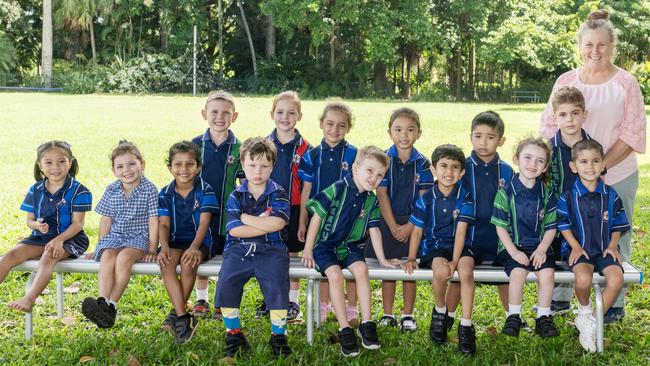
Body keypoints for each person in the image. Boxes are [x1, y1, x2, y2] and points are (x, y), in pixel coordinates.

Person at [539, 9, 646, 322]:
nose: (595, 51)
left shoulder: (626, 82)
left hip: (617, 173)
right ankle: (559, 299)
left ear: (612, 46)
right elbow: (548, 125)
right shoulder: (566, 80)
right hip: (567, 174)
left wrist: (600, 168)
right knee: (564, 232)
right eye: (589, 45)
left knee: (615, 232)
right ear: (580, 46)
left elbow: (632, 131)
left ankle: (613, 304)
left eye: (602, 45)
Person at [302, 146, 396, 357]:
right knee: (334, 275)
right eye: (369, 171)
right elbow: (316, 217)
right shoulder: (337, 188)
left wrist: (382, 259)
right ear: (355, 168)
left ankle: (367, 323)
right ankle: (345, 329)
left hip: (348, 247)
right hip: (324, 246)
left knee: (362, 270)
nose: (374, 178)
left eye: (380, 175)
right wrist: (308, 249)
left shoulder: (371, 201)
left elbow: (374, 230)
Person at [214, 137, 292, 359]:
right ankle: (234, 334)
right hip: (238, 249)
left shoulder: (278, 192)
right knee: (227, 281)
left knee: (277, 283)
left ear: (272, 166)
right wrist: (263, 224)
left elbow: (278, 223)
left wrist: (246, 217)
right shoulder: (235, 195)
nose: (258, 171)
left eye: (264, 166)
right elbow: (234, 231)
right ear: (243, 164)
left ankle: (278, 336)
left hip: (272, 248)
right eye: (252, 165)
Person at [1, 141, 91, 312]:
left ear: (70, 162)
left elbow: (78, 224)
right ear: (40, 165)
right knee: (10, 255)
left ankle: (29, 298)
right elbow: (30, 220)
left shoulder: (80, 190)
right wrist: (35, 225)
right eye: (49, 162)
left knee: (48, 256)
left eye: (61, 161)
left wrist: (58, 240)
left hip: (69, 238)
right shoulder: (35, 189)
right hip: (40, 238)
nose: (55, 167)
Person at [404, 144, 477, 355]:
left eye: (455, 167)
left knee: (465, 271)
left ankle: (465, 325)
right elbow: (417, 232)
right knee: (442, 271)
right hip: (435, 245)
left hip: (462, 246)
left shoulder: (465, 196)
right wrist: (411, 257)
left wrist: (455, 259)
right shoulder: (425, 198)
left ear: (462, 172)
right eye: (443, 166)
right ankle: (440, 310)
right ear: (433, 169)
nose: (449, 172)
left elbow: (462, 231)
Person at [557, 139, 628, 352]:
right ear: (573, 166)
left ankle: (591, 322)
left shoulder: (611, 194)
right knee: (583, 278)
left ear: (603, 163)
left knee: (616, 279)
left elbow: (618, 223)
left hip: (604, 249)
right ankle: (584, 311)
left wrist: (613, 245)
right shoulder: (568, 196)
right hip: (579, 249)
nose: (590, 167)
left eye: (596, 161)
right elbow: (563, 224)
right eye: (584, 161)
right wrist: (575, 247)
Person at [366, 107, 433, 332]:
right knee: (389, 268)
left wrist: (410, 226)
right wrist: (394, 226)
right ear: (390, 132)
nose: (404, 135)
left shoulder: (423, 164)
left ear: (418, 134)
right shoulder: (384, 160)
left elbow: (424, 200)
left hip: (414, 224)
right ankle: (387, 313)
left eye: (410, 130)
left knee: (408, 268)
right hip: (388, 221)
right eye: (398, 130)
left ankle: (407, 314)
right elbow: (381, 195)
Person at [81, 140, 159, 328]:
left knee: (124, 257)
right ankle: (102, 302)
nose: (127, 170)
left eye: (132, 164)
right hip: (116, 236)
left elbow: (153, 221)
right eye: (120, 166)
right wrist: (100, 246)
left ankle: (112, 306)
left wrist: (151, 248)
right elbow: (106, 220)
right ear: (114, 171)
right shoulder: (112, 190)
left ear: (142, 164)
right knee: (108, 254)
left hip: (139, 238)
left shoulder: (149, 189)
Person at [448, 111, 513, 324]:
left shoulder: (507, 171)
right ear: (470, 137)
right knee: (458, 277)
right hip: (469, 239)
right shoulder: (462, 168)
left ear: (501, 141)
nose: (483, 142)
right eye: (478, 136)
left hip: (498, 240)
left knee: (506, 277)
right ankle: (445, 316)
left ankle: (513, 316)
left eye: (490, 137)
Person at [491, 137, 559, 339]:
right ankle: (513, 316)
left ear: (545, 166)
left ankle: (543, 317)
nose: (533, 164)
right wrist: (513, 252)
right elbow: (500, 227)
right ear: (516, 159)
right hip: (513, 247)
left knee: (547, 274)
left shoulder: (547, 194)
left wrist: (542, 249)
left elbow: (551, 228)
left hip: (539, 248)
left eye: (540, 161)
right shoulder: (505, 193)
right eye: (527, 158)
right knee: (518, 273)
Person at [298, 102, 358, 324]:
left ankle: (351, 309)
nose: (335, 129)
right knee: (325, 261)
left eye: (341, 125)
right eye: (330, 124)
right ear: (321, 124)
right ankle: (324, 306)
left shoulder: (354, 155)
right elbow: (306, 190)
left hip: (347, 220)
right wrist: (303, 221)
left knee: (351, 261)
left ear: (348, 128)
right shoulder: (311, 156)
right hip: (320, 220)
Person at [190, 90, 245, 319]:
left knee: (226, 258)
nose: (220, 117)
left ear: (235, 116)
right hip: (199, 214)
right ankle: (201, 298)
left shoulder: (240, 148)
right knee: (200, 253)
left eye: (226, 113)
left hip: (227, 215)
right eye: (214, 112)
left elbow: (246, 182)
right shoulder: (194, 145)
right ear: (205, 114)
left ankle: (222, 300)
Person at [157, 141, 218, 343]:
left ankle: (176, 314)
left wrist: (193, 247)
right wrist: (164, 246)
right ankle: (184, 316)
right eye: (178, 164)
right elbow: (164, 225)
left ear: (198, 167)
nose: (184, 169)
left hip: (200, 241)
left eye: (190, 164)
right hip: (174, 240)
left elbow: (204, 222)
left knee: (188, 262)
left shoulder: (206, 190)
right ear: (170, 168)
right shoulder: (164, 193)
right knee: (166, 263)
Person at [258, 90, 311, 321]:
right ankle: (270, 298)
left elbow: (309, 186)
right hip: (269, 208)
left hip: (295, 208)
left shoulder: (306, 148)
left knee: (291, 254)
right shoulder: (263, 145)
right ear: (272, 114)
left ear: (299, 116)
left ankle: (292, 301)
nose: (285, 117)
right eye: (280, 112)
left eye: (291, 112)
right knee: (269, 253)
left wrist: (302, 220)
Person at [547, 86, 593, 313]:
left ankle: (583, 302)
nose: (570, 120)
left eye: (575, 113)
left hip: (584, 218)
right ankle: (556, 301)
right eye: (563, 115)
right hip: (555, 217)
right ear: (555, 118)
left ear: (584, 114)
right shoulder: (547, 148)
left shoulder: (593, 148)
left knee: (579, 256)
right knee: (554, 257)